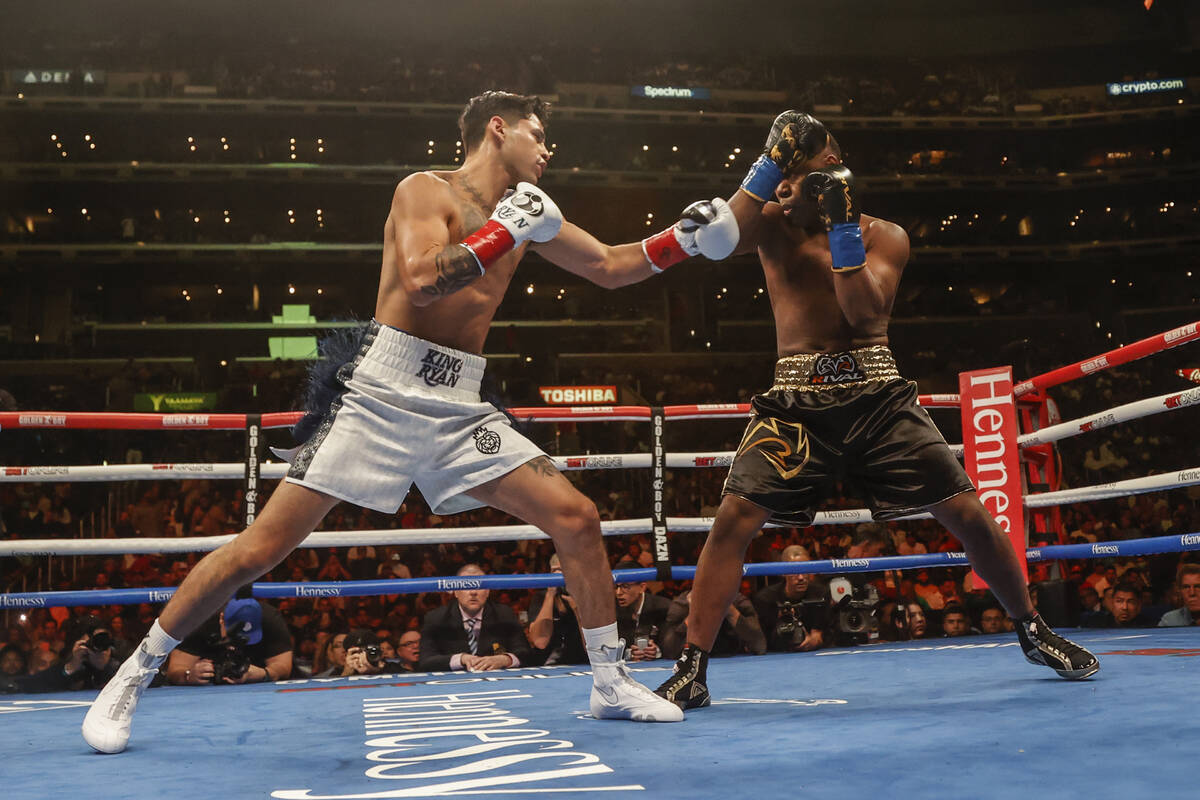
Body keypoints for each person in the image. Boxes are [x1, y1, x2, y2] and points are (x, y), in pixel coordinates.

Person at [82, 89, 733, 751]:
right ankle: (132, 677)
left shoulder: (529, 215)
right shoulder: (426, 190)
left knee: (576, 517)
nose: (548, 148)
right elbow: (424, 279)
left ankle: (610, 683)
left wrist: (683, 239)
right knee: (260, 549)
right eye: (538, 134)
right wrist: (506, 229)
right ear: (498, 130)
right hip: (380, 396)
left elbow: (612, 265)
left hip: (460, 404)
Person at [654, 111, 1099, 710]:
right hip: (795, 406)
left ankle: (1032, 628)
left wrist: (839, 226)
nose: (784, 186)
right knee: (732, 519)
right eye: (781, 174)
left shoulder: (881, 235)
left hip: (876, 397)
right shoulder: (768, 224)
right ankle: (692, 667)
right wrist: (765, 165)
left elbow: (864, 314)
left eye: (797, 172)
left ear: (832, 174)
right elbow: (717, 238)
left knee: (967, 510)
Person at [419, 564, 531, 671]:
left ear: (487, 592)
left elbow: (525, 652)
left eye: (479, 586)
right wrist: (460, 659)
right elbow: (426, 661)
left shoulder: (504, 614)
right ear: (456, 592)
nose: (473, 592)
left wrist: (505, 659)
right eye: (466, 586)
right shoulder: (436, 618)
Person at [164, 598, 293, 686]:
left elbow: (283, 666)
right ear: (221, 620)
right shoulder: (199, 621)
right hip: (204, 695)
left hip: (257, 689)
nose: (239, 642)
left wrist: (263, 674)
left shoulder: (270, 619)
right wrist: (189, 676)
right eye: (234, 634)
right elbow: (175, 669)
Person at [751, 545, 831, 652]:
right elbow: (761, 640)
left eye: (805, 570)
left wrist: (814, 640)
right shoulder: (766, 599)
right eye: (795, 570)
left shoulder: (821, 594)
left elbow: (818, 633)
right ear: (783, 572)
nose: (801, 577)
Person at [526, 553, 588, 666]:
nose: (562, 576)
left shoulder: (589, 597)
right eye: (557, 571)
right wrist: (550, 594)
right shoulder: (541, 597)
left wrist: (578, 610)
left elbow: (593, 649)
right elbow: (540, 642)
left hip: (582, 665)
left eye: (567, 570)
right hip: (546, 666)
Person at [613, 560, 670, 662]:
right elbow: (606, 649)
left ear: (642, 587)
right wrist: (628, 653)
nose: (618, 593)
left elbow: (674, 645)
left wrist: (657, 651)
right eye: (616, 586)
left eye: (625, 587)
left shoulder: (663, 607)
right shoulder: (611, 610)